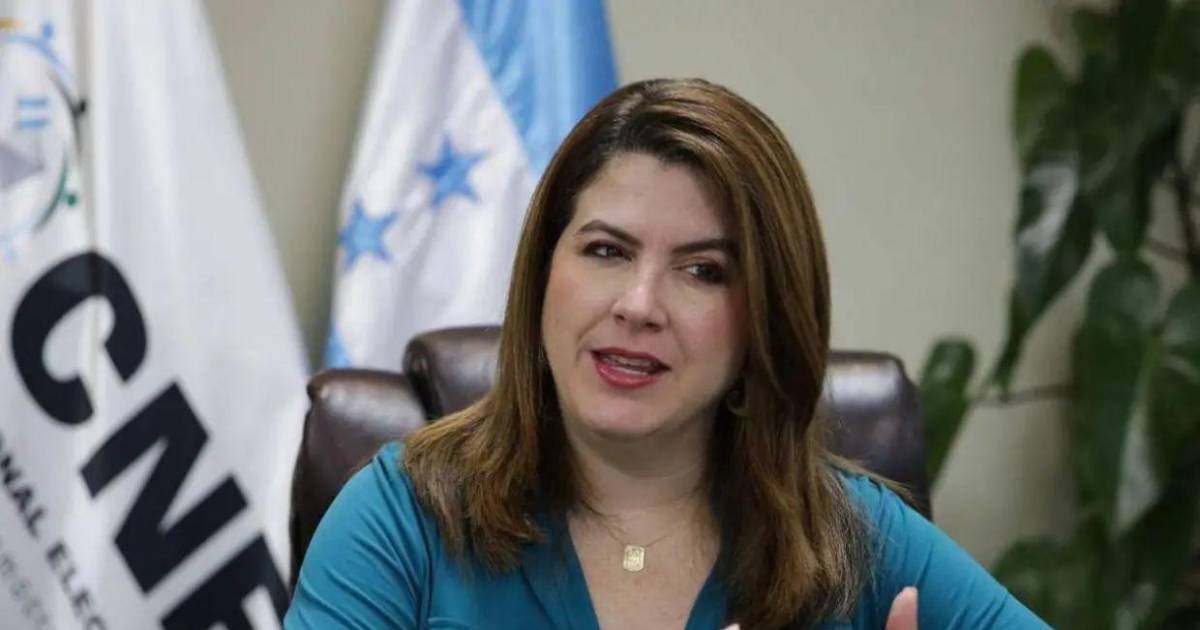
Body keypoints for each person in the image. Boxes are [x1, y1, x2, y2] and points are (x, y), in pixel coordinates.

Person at [284, 78, 1048, 629]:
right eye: (607, 250)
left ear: (764, 319)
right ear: (543, 273)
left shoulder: (853, 538)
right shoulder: (404, 519)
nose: (639, 304)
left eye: (703, 271)